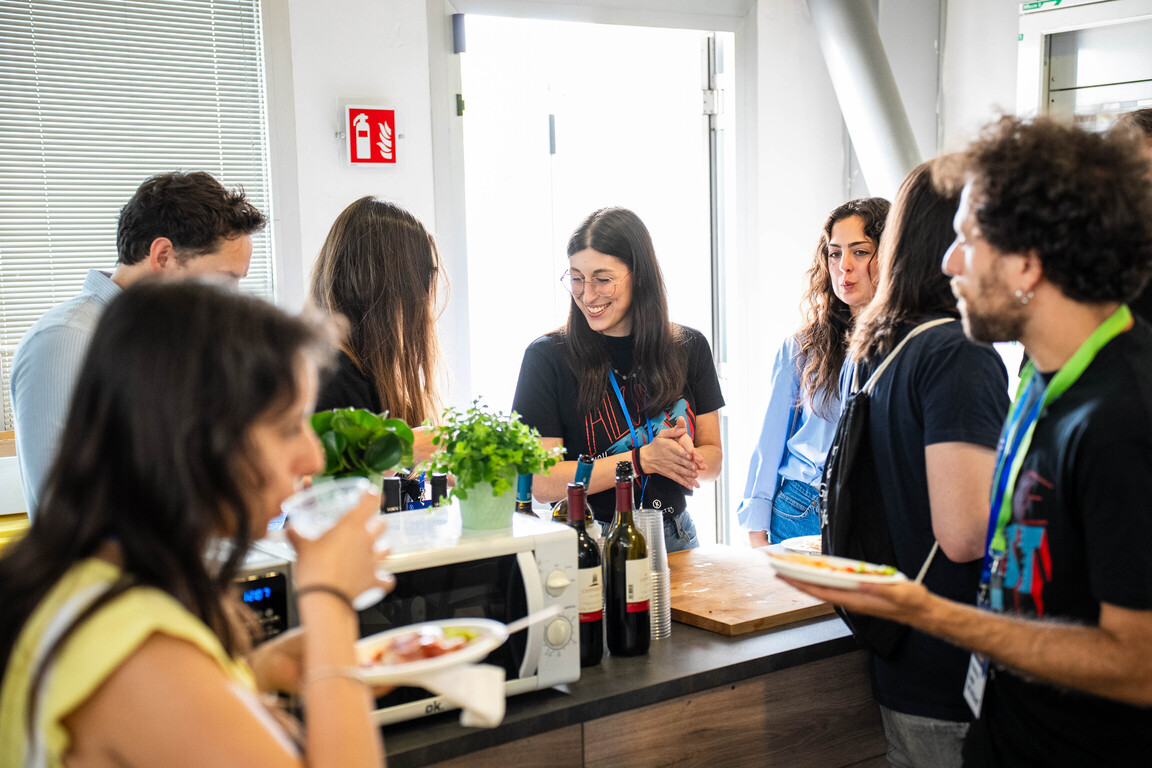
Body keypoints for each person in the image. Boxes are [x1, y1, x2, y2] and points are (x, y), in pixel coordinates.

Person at [782, 116, 1152, 766]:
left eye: (968, 241)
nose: (947, 260)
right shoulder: (1047, 375)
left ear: (1026, 265)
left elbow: (1139, 663)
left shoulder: (1123, 417)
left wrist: (928, 611)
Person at [0, 280, 392, 767]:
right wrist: (329, 602)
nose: (312, 456)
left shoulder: (82, 577)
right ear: (199, 441)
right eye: (289, 427)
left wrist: (251, 674)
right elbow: (148, 685)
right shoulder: (139, 650)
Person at [834, 160, 1010, 767]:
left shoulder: (879, 342)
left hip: (902, 653)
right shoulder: (958, 351)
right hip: (952, 665)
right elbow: (963, 534)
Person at [10, 171, 265, 517]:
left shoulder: (168, 342)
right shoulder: (66, 340)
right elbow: (65, 505)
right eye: (224, 281)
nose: (231, 299)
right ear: (162, 257)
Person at [512, 207, 724, 552]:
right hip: (585, 538)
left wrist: (687, 459)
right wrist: (641, 460)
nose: (588, 294)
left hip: (672, 533)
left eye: (602, 279)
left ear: (638, 276)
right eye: (577, 278)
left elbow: (712, 461)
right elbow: (542, 481)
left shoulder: (689, 346)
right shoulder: (547, 357)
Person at [737, 197, 890, 547]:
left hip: (871, 510)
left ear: (889, 254)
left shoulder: (907, 347)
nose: (844, 267)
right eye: (835, 253)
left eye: (860, 251)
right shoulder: (802, 347)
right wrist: (756, 530)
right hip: (801, 506)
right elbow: (769, 443)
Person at [309, 197, 446, 465]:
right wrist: (404, 447)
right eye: (422, 280)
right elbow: (320, 480)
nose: (426, 299)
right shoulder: (329, 379)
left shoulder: (365, 371)